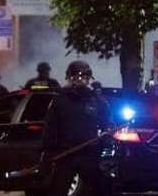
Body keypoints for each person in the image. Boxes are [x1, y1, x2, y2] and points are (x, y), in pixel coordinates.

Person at [41, 60, 113, 196]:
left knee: (102, 189)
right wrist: (48, 154)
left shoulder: (98, 101)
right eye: (76, 77)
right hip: (66, 155)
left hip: (90, 154)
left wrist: (102, 143)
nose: (80, 81)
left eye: (84, 77)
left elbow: (108, 125)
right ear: (69, 78)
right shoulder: (59, 101)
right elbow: (50, 130)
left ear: (89, 79)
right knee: (58, 191)